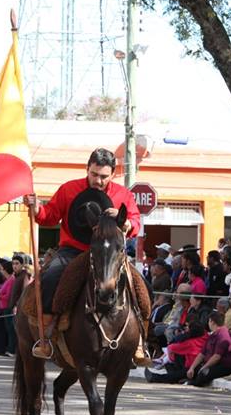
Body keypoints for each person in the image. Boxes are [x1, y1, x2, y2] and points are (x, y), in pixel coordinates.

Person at [23, 148, 145, 363]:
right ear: (87, 169)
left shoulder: (122, 195)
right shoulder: (68, 189)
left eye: (104, 176)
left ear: (113, 175)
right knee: (49, 277)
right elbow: (49, 216)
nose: (98, 180)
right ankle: (47, 336)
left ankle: (142, 340)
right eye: (94, 174)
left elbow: (135, 223)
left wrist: (124, 221)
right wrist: (36, 209)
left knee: (141, 286)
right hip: (72, 250)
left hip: (109, 255)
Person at [185, 311, 231, 386]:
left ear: (211, 321)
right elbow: (202, 353)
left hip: (225, 366)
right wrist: (192, 367)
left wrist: (204, 367)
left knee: (203, 373)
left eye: (209, 321)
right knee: (192, 370)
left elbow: (217, 357)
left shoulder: (223, 335)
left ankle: (192, 383)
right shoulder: (213, 335)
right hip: (214, 364)